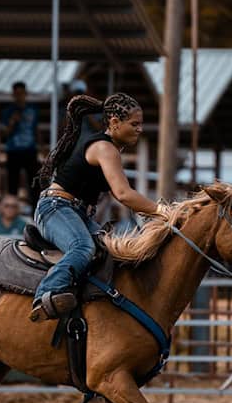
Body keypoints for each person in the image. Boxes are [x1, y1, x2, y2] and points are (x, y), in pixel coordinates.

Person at [29, 93, 162, 322]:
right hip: (56, 208)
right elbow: (123, 194)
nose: (140, 129)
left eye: (140, 124)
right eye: (135, 124)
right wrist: (163, 211)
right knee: (82, 248)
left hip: (75, 212)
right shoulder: (104, 148)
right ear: (114, 123)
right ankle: (45, 295)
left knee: (112, 253)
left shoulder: (111, 150)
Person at [1, 81, 40, 208]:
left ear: (25, 94)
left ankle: (34, 210)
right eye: (16, 94)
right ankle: (12, 209)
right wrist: (13, 121)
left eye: (21, 93)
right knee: (13, 183)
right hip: (13, 150)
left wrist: (42, 147)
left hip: (30, 150)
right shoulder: (8, 111)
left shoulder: (32, 110)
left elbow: (36, 129)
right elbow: (4, 134)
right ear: (13, 95)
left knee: (34, 182)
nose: (19, 96)